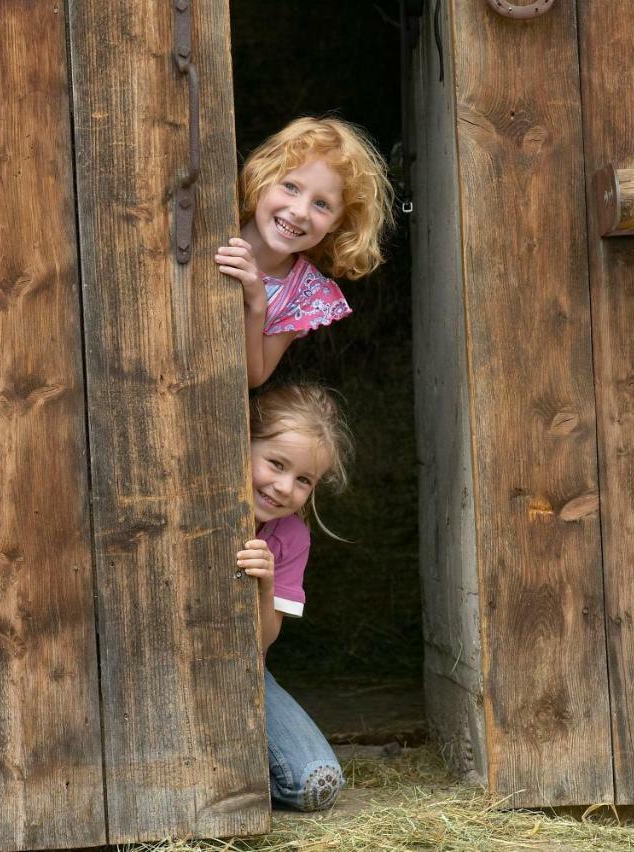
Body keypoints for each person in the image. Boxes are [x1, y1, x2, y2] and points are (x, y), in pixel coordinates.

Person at [235, 382, 352, 811]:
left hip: (243, 673)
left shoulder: (290, 536)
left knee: (315, 781)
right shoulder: (190, 496)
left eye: (303, 479)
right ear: (241, 437)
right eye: (276, 464)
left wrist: (265, 584)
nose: (285, 487)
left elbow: (262, 642)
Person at [215, 117, 392, 388]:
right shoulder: (215, 220)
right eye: (291, 187)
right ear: (263, 178)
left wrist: (256, 304)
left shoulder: (303, 293)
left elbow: (253, 377)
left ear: (336, 222)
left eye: (321, 204)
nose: (299, 211)